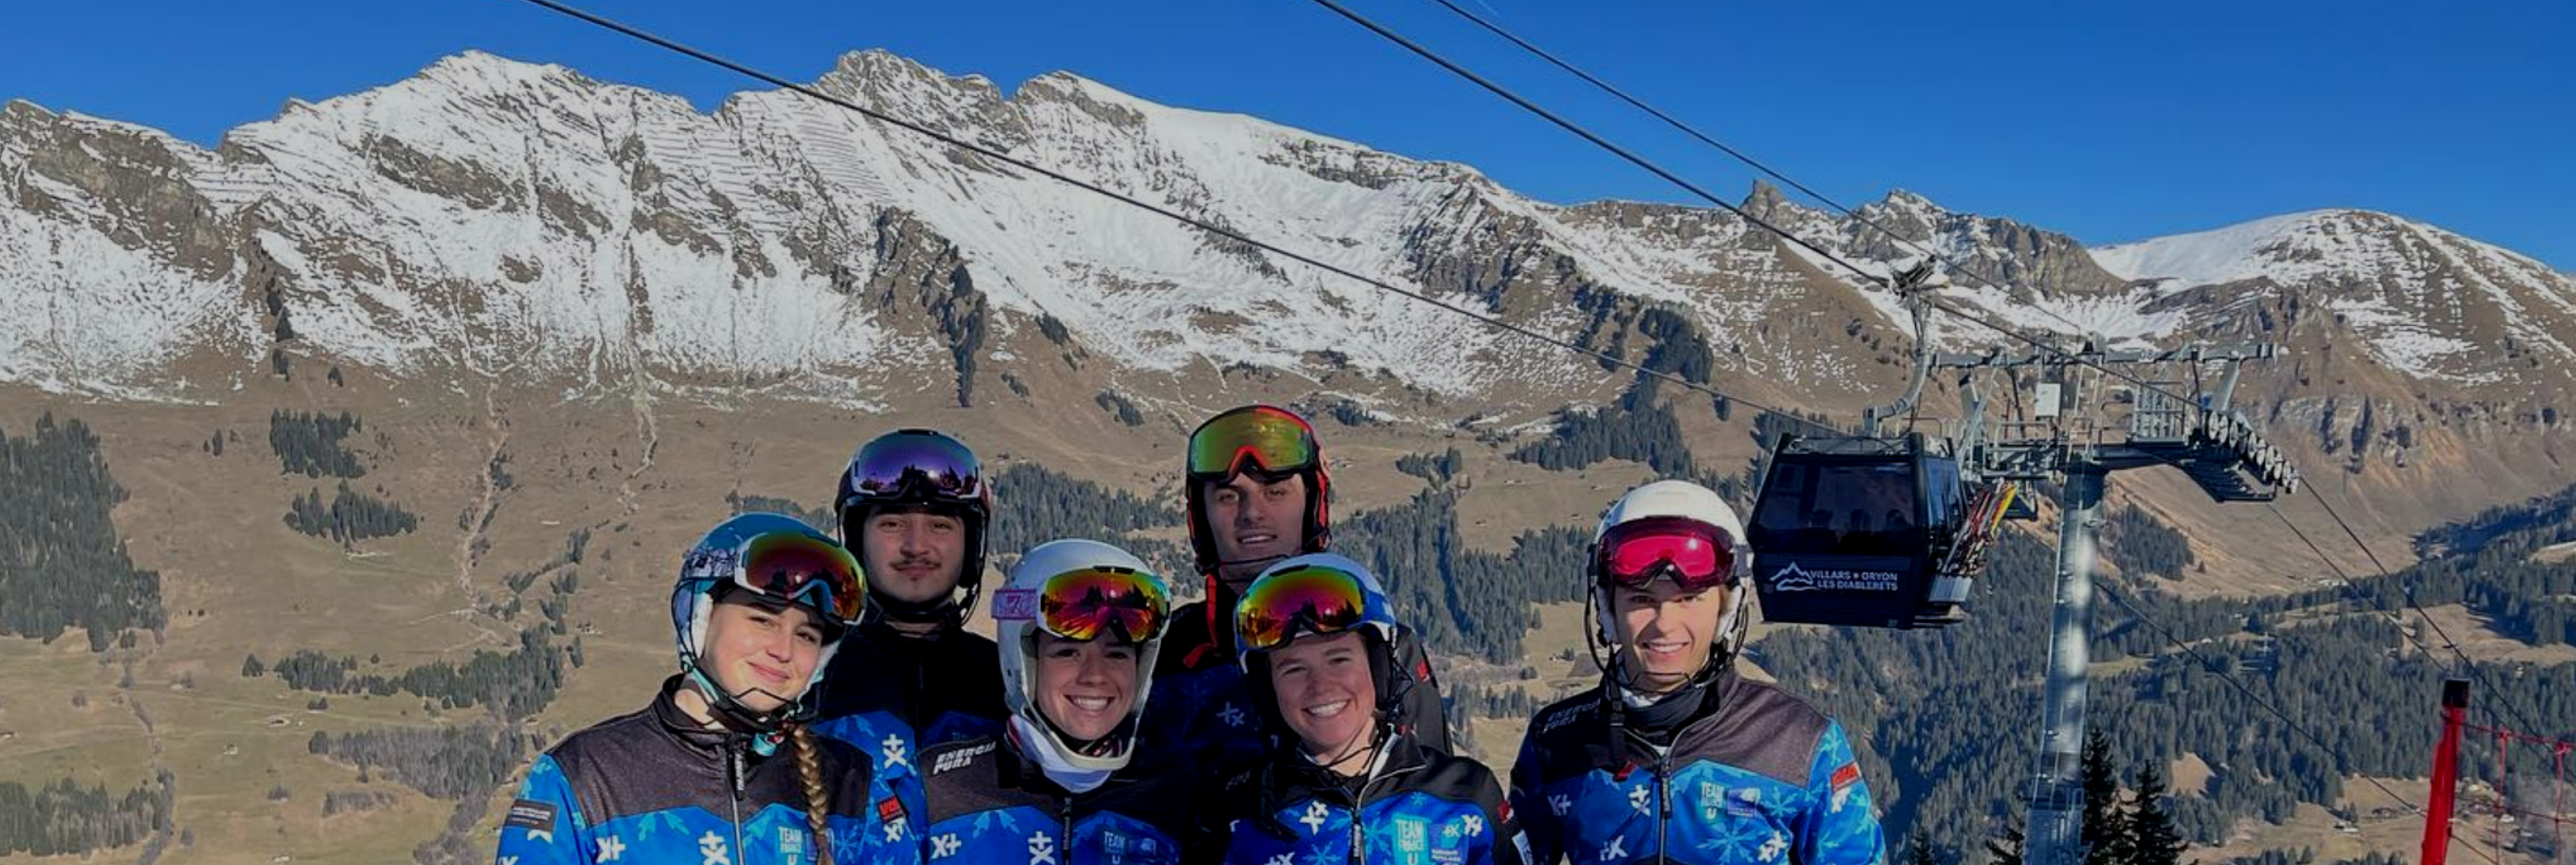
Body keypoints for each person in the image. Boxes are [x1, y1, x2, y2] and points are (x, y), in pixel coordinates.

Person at [495, 513, 911, 865]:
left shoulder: (854, 780)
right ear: (701, 619)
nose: (783, 651)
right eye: (762, 620)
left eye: (806, 635)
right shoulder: (584, 776)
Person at [1509, 480, 1886, 865]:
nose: (1665, 624)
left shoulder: (1799, 742)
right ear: (1609, 611)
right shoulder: (1555, 744)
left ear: (1726, 610)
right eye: (1642, 599)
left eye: (1689, 600)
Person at [1142, 405, 1449, 775]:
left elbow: (1434, 794)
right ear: (1201, 518)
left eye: (1276, 492)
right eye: (1227, 496)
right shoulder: (1164, 653)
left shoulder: (1380, 646)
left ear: (1312, 507)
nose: (1252, 512)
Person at [1202, 553, 1525, 865]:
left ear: (1379, 667)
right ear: (1268, 690)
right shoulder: (1236, 814)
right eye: (1293, 669)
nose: (1321, 686)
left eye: (1339, 659)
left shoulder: (1464, 794)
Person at [916, 539, 1193, 864]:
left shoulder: (1184, 803)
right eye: (1068, 652)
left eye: (1117, 653)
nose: (1095, 676)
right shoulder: (931, 791)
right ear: (1022, 662)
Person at [812, 429, 1006, 843]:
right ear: (857, 539)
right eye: (892, 523)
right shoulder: (807, 677)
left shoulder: (1011, 683)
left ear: (971, 546)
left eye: (940, 525)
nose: (916, 546)